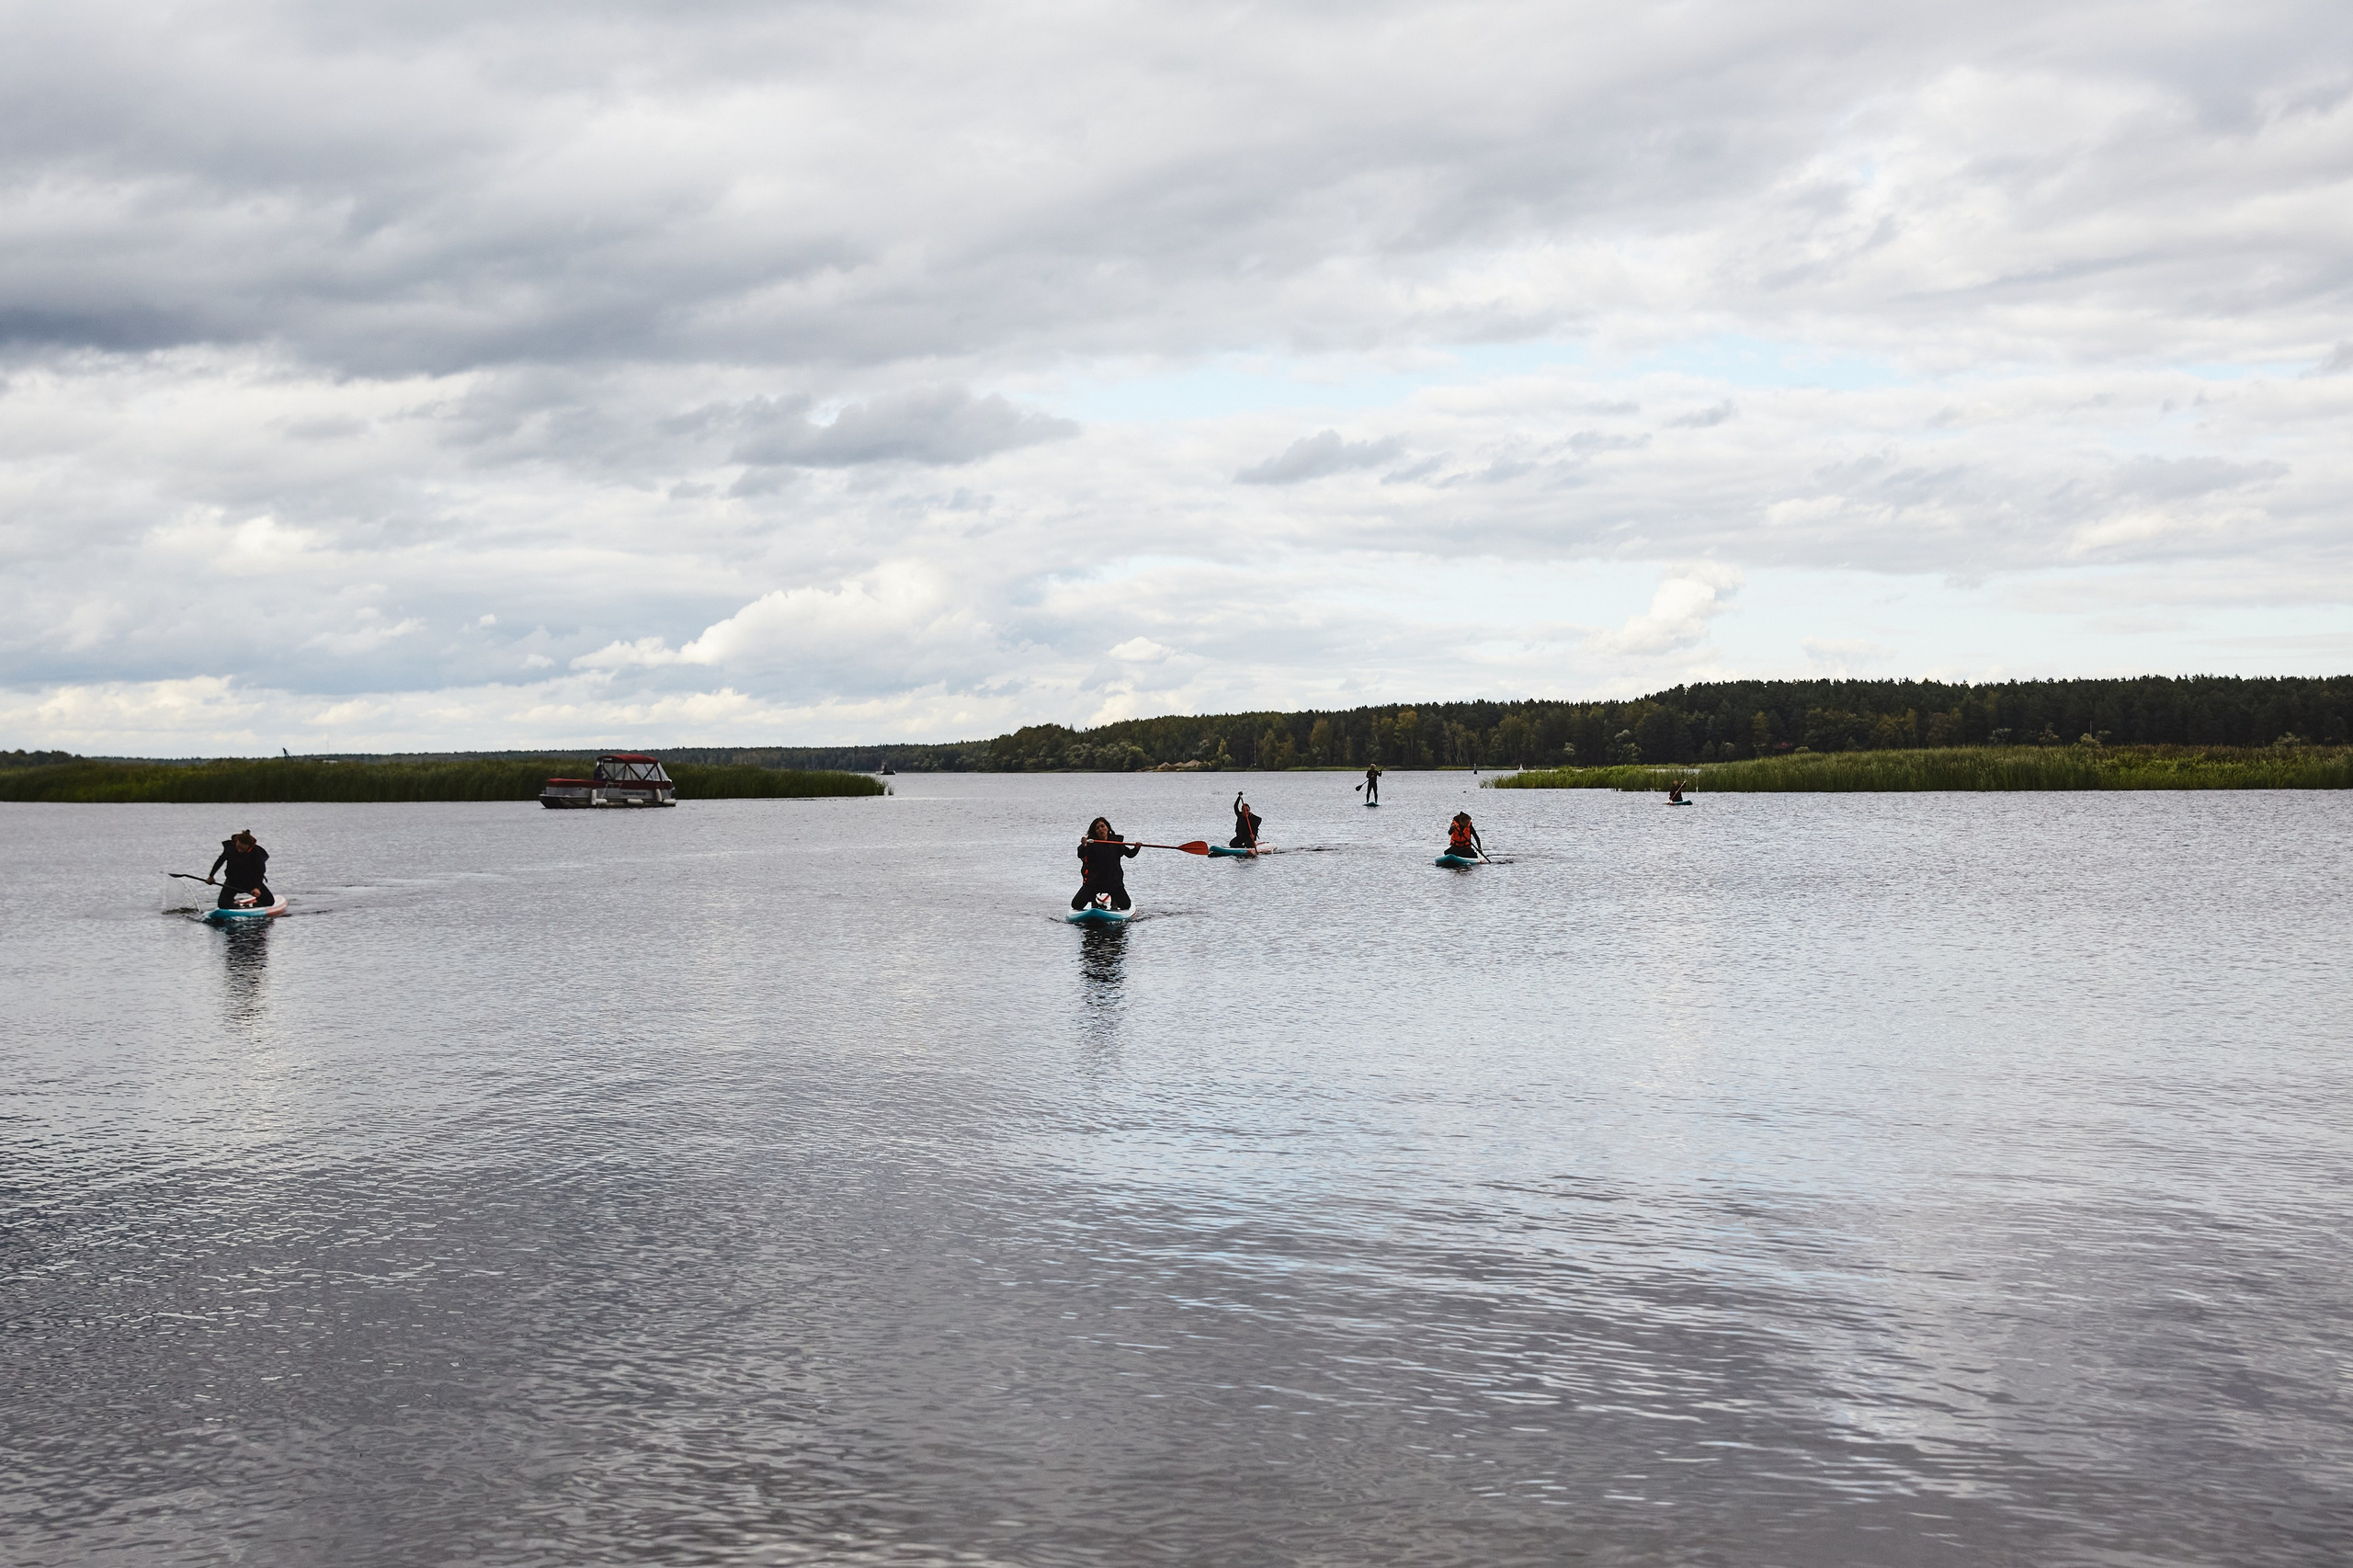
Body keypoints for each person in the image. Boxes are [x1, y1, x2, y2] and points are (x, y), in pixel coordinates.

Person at [1074, 816, 1140, 911]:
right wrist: (1084, 845)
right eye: (1097, 828)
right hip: (1094, 882)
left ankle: (1114, 900)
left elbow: (1129, 854)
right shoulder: (1090, 843)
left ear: (1107, 827)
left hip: (1113, 882)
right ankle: (1093, 900)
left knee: (1125, 905)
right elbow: (1080, 854)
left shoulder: (1116, 842)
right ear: (1095, 831)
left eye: (1102, 826)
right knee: (1076, 905)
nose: (1100, 829)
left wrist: (1136, 848)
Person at [209, 829, 273, 909]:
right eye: (238, 847)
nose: (239, 850)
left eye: (242, 849)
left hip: (251, 882)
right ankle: (233, 905)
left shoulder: (256, 852)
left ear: (249, 846)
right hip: (233, 881)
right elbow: (220, 861)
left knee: (269, 902)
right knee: (222, 905)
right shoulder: (230, 848)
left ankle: (257, 904)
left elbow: (260, 871)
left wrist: (257, 887)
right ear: (237, 842)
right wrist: (211, 876)